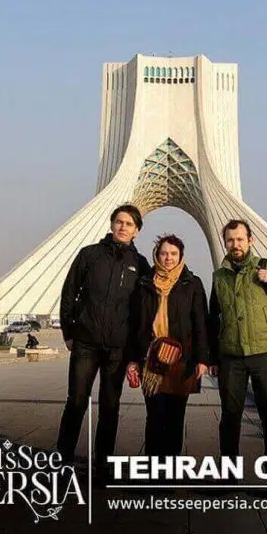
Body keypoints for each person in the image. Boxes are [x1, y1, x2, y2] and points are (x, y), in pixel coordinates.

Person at [56, 204, 150, 486]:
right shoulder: (90, 255)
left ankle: (103, 465)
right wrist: (69, 331)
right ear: (111, 225)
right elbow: (69, 291)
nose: (123, 227)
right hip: (86, 342)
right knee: (76, 402)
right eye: (119, 222)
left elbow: (144, 310)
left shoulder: (140, 264)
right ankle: (62, 462)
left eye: (129, 224)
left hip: (117, 349)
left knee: (110, 406)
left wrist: (136, 351)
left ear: (137, 231)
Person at [209, 219, 267, 500]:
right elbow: (214, 318)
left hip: (265, 353)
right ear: (225, 242)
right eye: (230, 240)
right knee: (229, 417)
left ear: (251, 240)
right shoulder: (219, 276)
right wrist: (212, 356)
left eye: (240, 239)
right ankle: (229, 477)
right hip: (231, 356)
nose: (235, 245)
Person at [126, 234, 209, 467]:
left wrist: (202, 359)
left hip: (181, 361)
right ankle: (153, 468)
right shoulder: (145, 283)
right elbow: (135, 324)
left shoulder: (192, 284)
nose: (168, 258)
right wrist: (132, 360)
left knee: (175, 417)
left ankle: (170, 468)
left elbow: (201, 322)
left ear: (181, 256)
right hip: (152, 359)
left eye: (173, 253)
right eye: (164, 253)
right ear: (157, 255)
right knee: (154, 416)